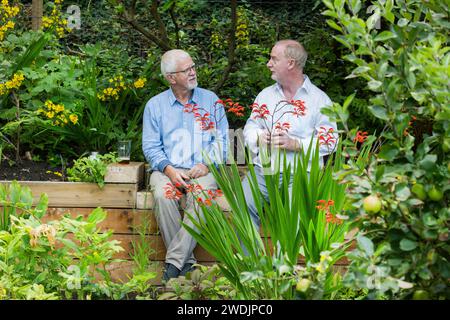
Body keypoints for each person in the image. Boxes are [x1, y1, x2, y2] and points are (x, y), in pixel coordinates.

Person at [142, 49, 229, 281]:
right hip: (167, 169)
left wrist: (207, 164)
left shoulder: (211, 101)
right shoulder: (155, 105)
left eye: (193, 67)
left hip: (202, 170)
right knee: (163, 195)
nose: (193, 72)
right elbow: (150, 147)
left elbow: (222, 141)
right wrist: (169, 170)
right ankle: (186, 263)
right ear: (171, 77)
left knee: (201, 197)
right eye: (187, 69)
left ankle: (173, 265)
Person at [242, 39, 337, 230]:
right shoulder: (265, 95)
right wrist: (258, 137)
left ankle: (283, 260)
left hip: (301, 174)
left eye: (274, 59)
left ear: (291, 63)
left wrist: (297, 144)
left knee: (293, 221)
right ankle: (250, 260)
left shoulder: (319, 100)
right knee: (243, 206)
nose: (269, 64)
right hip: (265, 171)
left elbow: (331, 141)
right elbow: (249, 128)